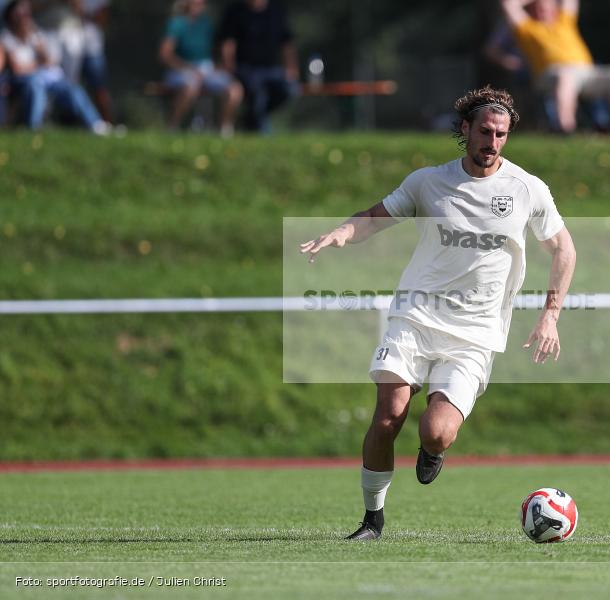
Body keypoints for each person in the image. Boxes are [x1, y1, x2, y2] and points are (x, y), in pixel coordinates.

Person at [299, 86, 577, 541]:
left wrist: (550, 315)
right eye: (485, 131)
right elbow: (375, 215)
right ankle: (373, 520)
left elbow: (564, 248)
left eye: (501, 134)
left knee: (437, 432)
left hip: (475, 333)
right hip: (415, 316)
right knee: (389, 414)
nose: (492, 141)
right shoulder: (428, 182)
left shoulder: (527, 189)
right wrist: (342, 232)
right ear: (465, 129)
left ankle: (432, 450)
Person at [500, 0, 610, 135]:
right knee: (565, 76)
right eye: (538, 8)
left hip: (586, 72)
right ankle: (565, 128)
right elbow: (508, 3)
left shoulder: (564, 22)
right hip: (549, 75)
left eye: (547, 6)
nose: (543, 10)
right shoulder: (526, 28)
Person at [1, 0, 108, 133]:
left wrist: (38, 46)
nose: (24, 19)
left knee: (72, 89)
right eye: (20, 15)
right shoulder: (7, 38)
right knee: (35, 86)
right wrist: (37, 65)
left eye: (26, 15)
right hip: (25, 80)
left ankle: (96, 125)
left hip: (47, 77)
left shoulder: (35, 35)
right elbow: (17, 68)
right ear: (11, 17)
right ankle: (33, 128)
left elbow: (50, 61)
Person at [159, 0, 243, 135]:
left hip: (206, 70)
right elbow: (165, 55)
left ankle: (224, 129)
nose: (198, 6)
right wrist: (189, 68)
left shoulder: (206, 24)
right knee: (191, 87)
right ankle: (172, 127)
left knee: (235, 90)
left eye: (201, 3)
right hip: (180, 70)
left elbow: (216, 52)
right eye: (195, 3)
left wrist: (220, 66)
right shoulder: (176, 24)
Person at [217, 0, 298, 133]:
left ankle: (249, 120)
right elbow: (228, 42)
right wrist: (229, 67)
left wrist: (291, 67)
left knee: (291, 89)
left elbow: (287, 43)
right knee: (258, 92)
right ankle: (263, 132)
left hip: (271, 69)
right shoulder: (236, 11)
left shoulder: (277, 11)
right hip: (245, 68)